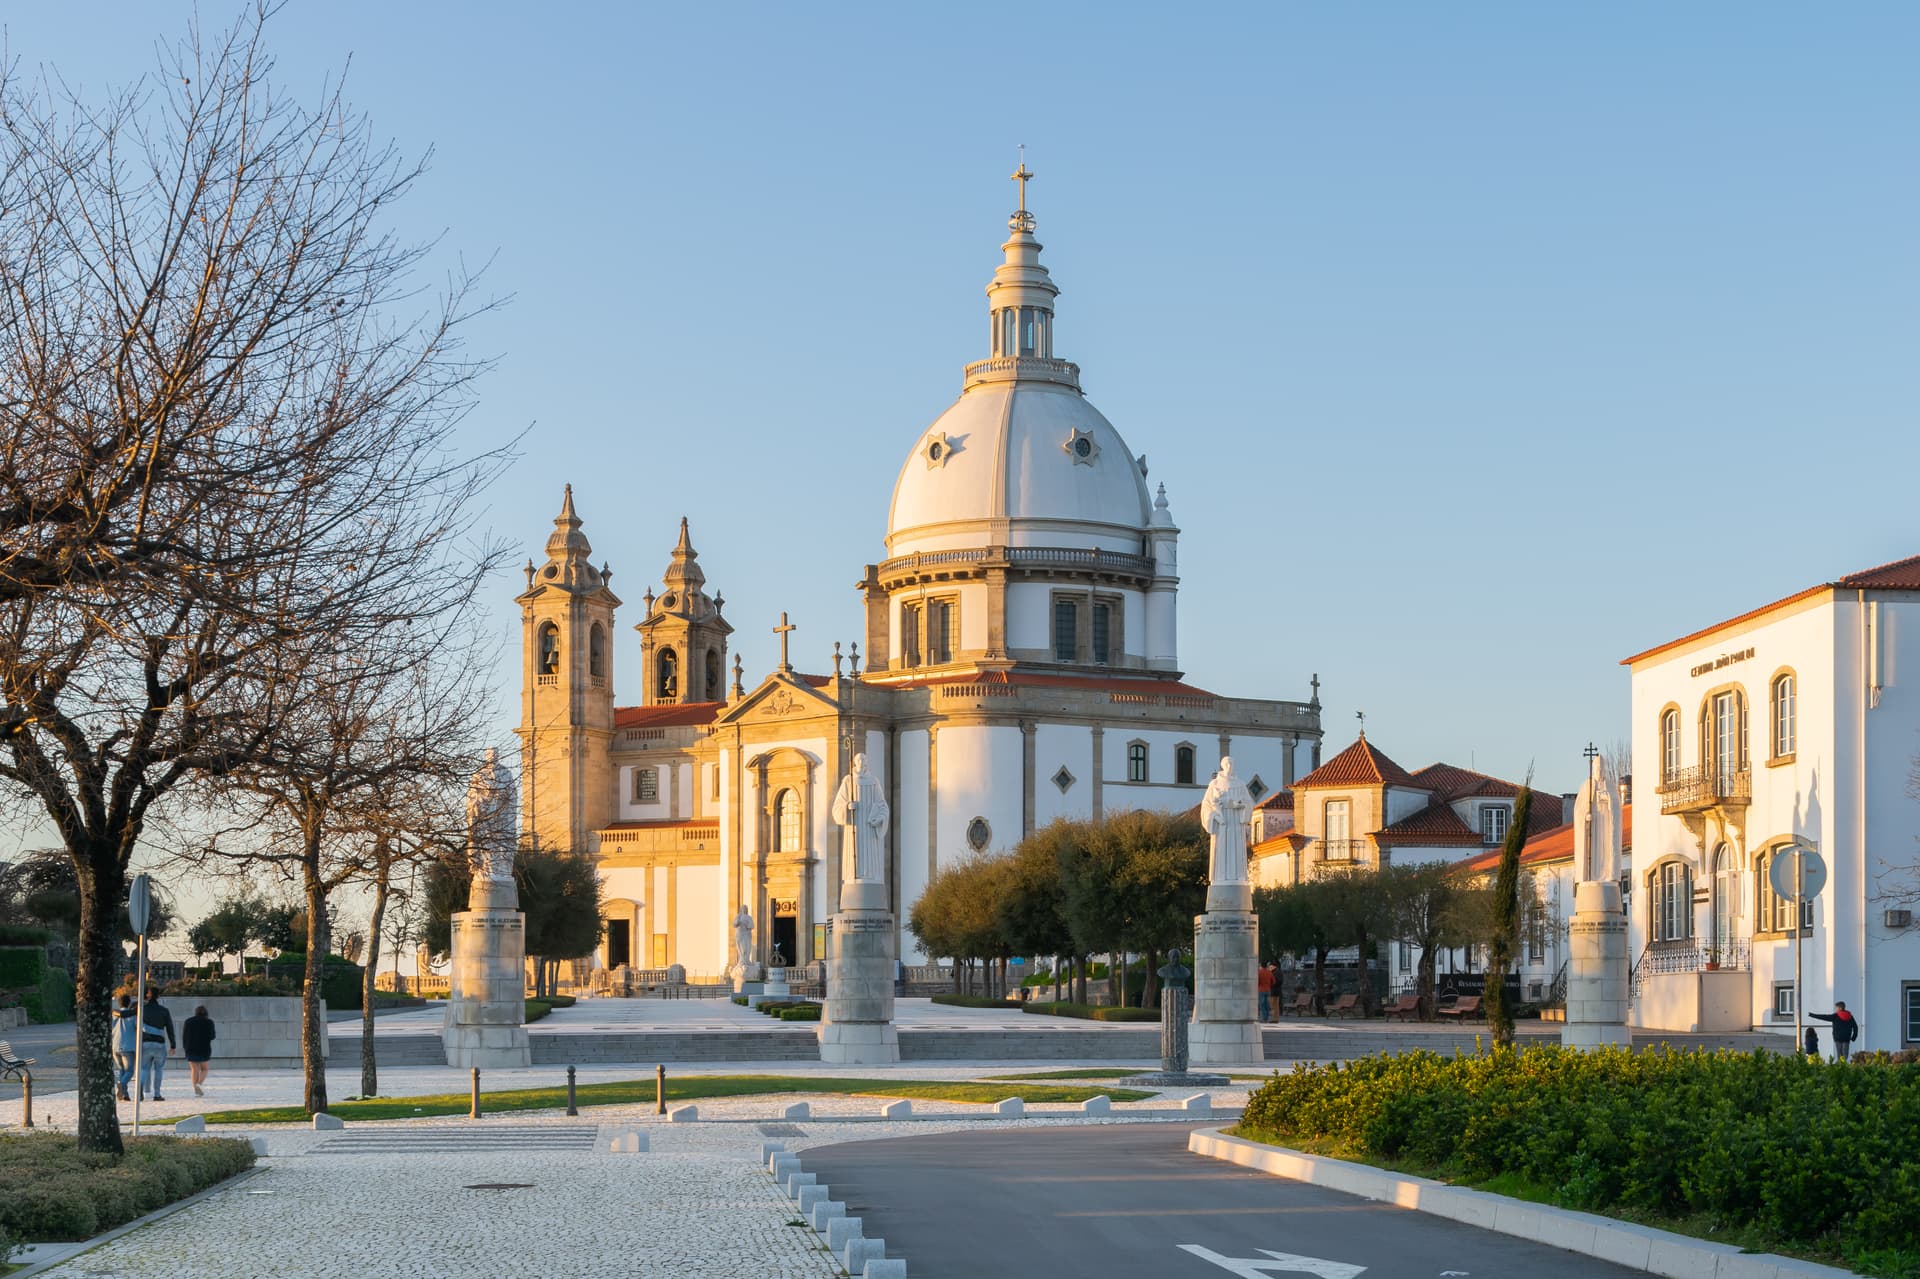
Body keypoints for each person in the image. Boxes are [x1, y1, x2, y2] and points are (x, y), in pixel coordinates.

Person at [139, 987, 176, 1101]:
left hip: (145, 1043)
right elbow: (170, 1028)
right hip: (159, 1044)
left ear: (147, 996)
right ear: (158, 997)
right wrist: (173, 1045)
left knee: (144, 1069)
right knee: (159, 1070)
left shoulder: (142, 1009)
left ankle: (140, 1092)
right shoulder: (164, 1011)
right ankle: (157, 1094)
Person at [182, 1004, 216, 1096]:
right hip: (204, 1048)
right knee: (204, 1069)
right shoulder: (209, 1022)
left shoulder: (188, 1021)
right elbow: (212, 1036)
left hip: (190, 1048)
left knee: (194, 1069)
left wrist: (185, 1047)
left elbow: (184, 1036)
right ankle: (199, 1084)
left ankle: (195, 1089)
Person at [111, 992, 139, 1101]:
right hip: (128, 1046)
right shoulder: (132, 1016)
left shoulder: (114, 1014)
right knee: (130, 1071)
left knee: (121, 1070)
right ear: (129, 1003)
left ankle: (124, 1094)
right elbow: (138, 1028)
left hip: (115, 1045)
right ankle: (121, 1085)